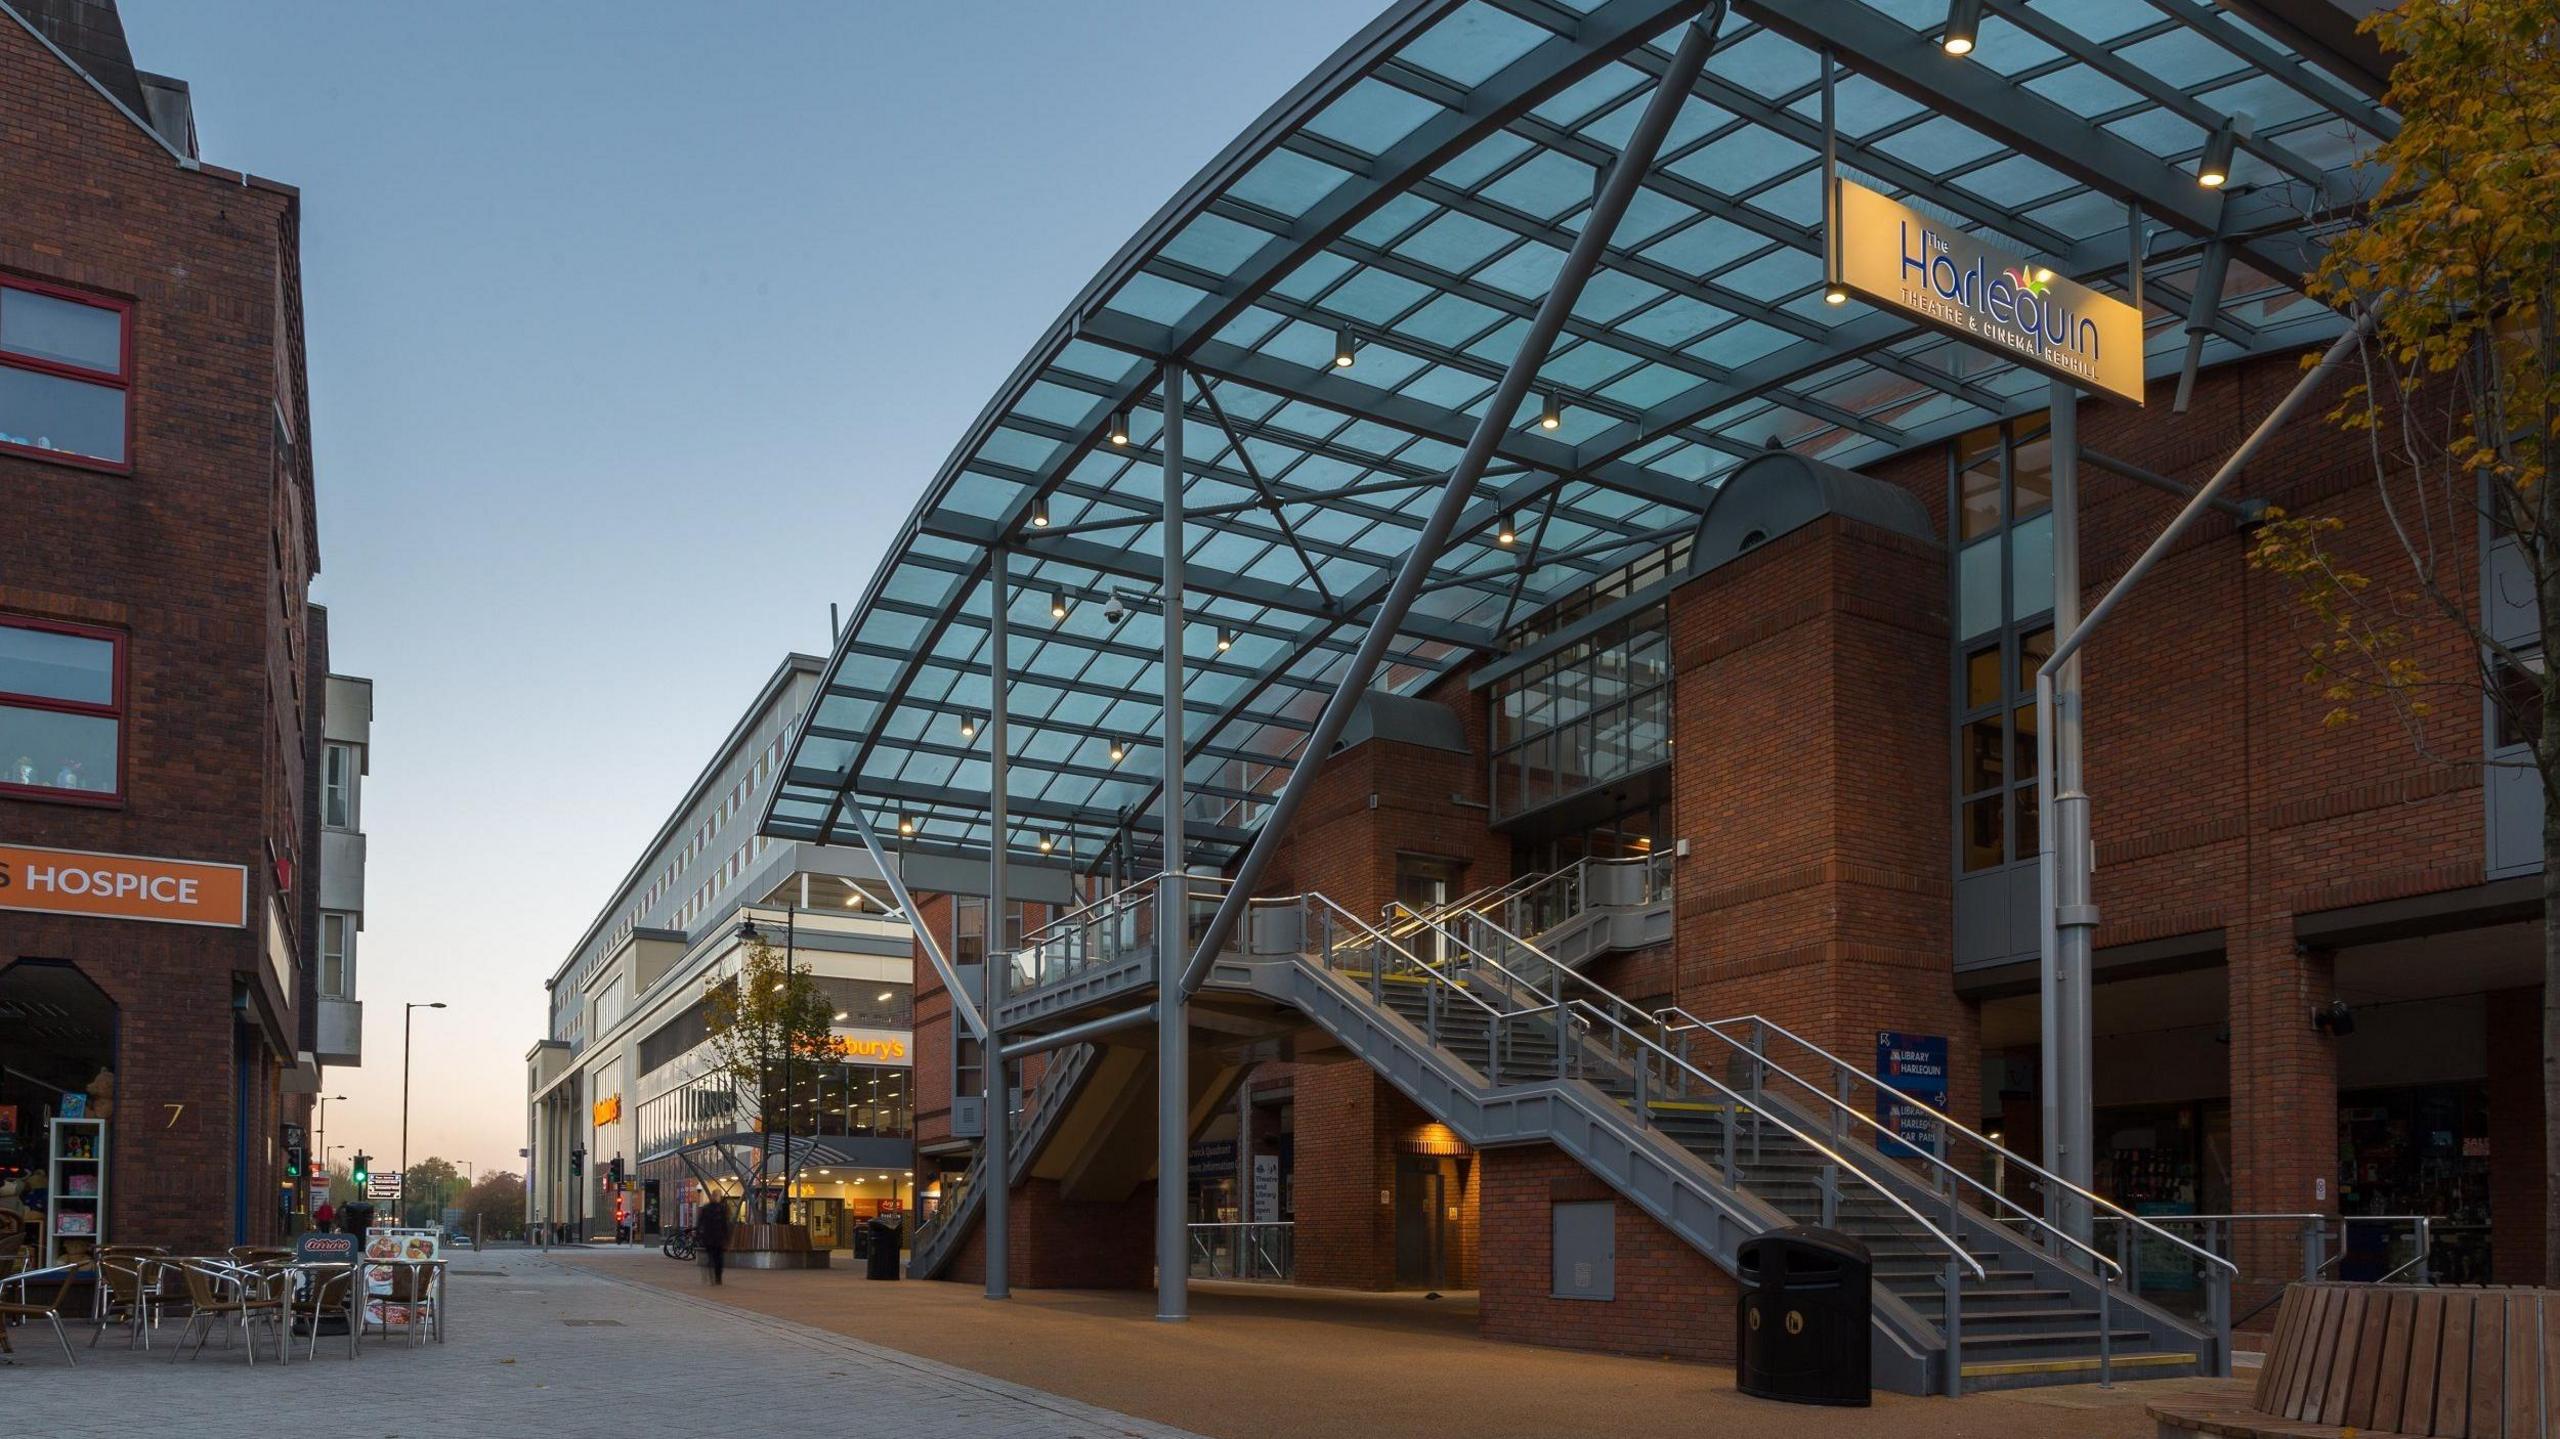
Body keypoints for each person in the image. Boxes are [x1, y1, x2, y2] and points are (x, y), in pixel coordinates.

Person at [696, 1195, 731, 1286]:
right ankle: (718, 1277)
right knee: (719, 1258)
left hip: (709, 1238)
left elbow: (700, 1223)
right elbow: (725, 1225)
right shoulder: (721, 1209)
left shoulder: (706, 1208)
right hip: (718, 1239)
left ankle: (711, 1273)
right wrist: (726, 1237)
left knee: (711, 1256)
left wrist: (699, 1234)